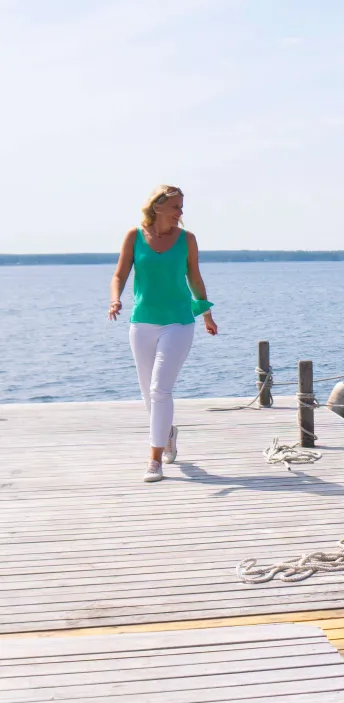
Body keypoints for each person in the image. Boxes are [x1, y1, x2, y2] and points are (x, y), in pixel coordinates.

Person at [108, 185, 218, 483]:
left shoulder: (187, 240)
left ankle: (154, 459)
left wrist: (206, 313)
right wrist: (115, 298)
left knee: (160, 390)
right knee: (148, 391)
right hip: (142, 322)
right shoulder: (134, 236)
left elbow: (194, 277)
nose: (181, 212)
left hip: (178, 322)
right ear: (157, 207)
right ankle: (168, 433)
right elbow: (119, 275)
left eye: (181, 207)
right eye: (176, 207)